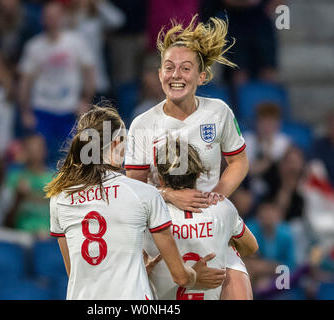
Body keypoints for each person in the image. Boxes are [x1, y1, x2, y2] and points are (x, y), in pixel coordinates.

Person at [125, 15, 253, 299]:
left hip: (211, 227)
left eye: (185, 68)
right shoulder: (143, 124)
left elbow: (239, 162)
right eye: (169, 68)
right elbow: (132, 189)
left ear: (202, 76)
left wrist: (216, 198)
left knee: (239, 290)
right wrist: (168, 195)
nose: (176, 75)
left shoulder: (218, 112)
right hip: (163, 233)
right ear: (160, 74)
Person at [45, 105, 221, 300]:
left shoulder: (59, 197)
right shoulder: (144, 193)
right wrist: (196, 276)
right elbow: (180, 276)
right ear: (116, 143)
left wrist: (138, 272)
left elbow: (78, 274)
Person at [144, 138, 258, 300]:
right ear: (198, 174)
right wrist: (218, 243)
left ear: (160, 179)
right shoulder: (221, 206)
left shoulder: (147, 213)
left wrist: (162, 194)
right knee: (231, 255)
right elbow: (251, 247)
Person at [18, 0, 96, 166]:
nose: (52, 20)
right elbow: (25, 81)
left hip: (69, 109)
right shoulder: (34, 46)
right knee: (38, 158)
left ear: (62, 17)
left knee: (74, 160)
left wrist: (85, 101)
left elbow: (89, 73)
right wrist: (25, 111)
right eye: (48, 17)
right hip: (42, 109)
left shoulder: (76, 42)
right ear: (43, 19)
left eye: (55, 16)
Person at [5, 134, 53, 236]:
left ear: (45, 151)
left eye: (38, 148)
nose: (35, 152)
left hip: (50, 236)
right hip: (20, 235)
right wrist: (18, 198)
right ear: (24, 151)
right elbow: (5, 219)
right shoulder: (14, 178)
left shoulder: (55, 180)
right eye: (31, 149)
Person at [244, 201, 296, 291]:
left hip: (278, 274)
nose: (268, 215)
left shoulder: (286, 234)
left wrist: (267, 269)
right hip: (255, 275)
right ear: (258, 215)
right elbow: (245, 260)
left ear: (279, 215)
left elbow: (291, 266)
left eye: (272, 212)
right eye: (265, 211)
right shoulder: (249, 230)